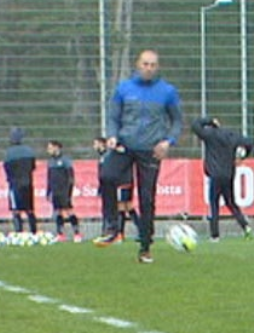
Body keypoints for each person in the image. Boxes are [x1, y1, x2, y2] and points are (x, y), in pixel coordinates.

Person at [95, 49, 183, 264]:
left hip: (150, 150)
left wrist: (167, 142)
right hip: (125, 145)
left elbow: (177, 122)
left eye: (153, 64)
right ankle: (111, 226)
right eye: (145, 64)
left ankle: (145, 246)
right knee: (107, 176)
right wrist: (112, 136)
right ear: (138, 65)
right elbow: (113, 116)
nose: (149, 68)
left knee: (147, 198)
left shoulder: (167, 92)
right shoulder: (124, 88)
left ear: (157, 67)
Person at [191, 117, 253, 242]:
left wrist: (209, 121)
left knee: (214, 204)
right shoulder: (232, 135)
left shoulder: (210, 135)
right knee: (231, 203)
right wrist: (243, 157)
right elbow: (250, 143)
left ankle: (215, 235)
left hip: (215, 174)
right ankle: (245, 226)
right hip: (228, 174)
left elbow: (195, 125)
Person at [93, 135, 138, 244]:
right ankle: (126, 232)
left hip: (123, 183)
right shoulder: (106, 156)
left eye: (95, 143)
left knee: (123, 206)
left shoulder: (120, 153)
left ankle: (122, 233)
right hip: (115, 184)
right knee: (124, 207)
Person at [45, 140, 82, 242]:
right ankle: (60, 234)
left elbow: (71, 177)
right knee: (58, 212)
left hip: (64, 190)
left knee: (69, 211)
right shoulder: (50, 162)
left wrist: (69, 191)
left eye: (50, 148)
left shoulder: (65, 160)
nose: (48, 150)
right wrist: (48, 191)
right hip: (55, 191)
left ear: (57, 147)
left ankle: (77, 233)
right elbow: (49, 178)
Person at [3, 127, 37, 234]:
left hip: (14, 184)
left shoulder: (9, 153)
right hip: (27, 183)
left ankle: (19, 232)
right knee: (29, 209)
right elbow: (33, 167)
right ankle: (33, 232)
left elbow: (7, 169)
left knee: (16, 210)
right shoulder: (29, 151)